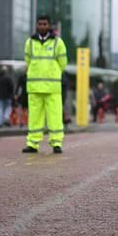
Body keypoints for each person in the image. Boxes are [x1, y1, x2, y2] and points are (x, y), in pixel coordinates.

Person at [22, 15, 68, 153]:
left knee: (55, 117)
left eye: (45, 24)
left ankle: (56, 143)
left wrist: (52, 74)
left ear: (49, 25)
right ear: (37, 25)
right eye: (40, 24)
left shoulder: (57, 43)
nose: (42, 26)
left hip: (52, 88)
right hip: (35, 87)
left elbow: (63, 64)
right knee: (34, 118)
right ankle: (32, 143)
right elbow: (27, 61)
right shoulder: (29, 42)